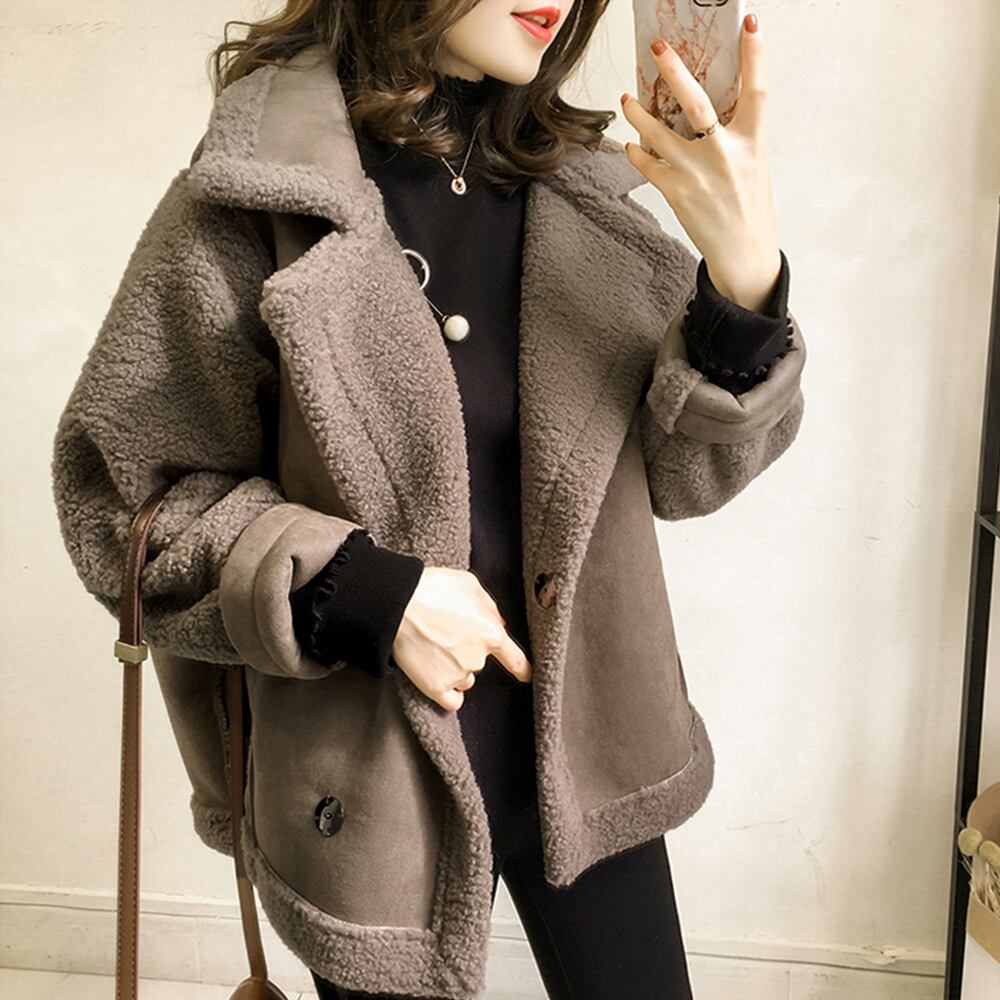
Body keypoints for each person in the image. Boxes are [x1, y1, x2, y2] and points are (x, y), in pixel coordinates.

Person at [50, 2, 806, 998]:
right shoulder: (264, 189)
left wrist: (743, 280)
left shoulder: (570, 192)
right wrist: (371, 593)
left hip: (591, 749)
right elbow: (122, 501)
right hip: (373, 786)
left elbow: (685, 472)